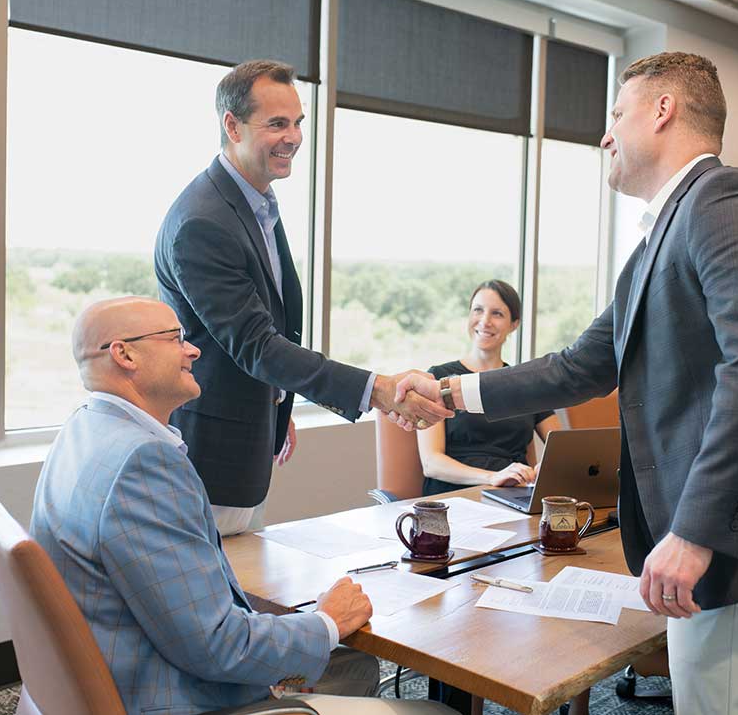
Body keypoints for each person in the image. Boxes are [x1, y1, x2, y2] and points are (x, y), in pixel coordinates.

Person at [398, 52, 738, 714]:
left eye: (617, 113)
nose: (606, 134)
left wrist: (697, 530)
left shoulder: (728, 201)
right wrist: (446, 392)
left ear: (663, 111)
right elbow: (578, 366)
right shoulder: (657, 243)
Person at [30, 297, 453, 715]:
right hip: (171, 694)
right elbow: (216, 646)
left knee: (355, 666)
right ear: (124, 354)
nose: (193, 349)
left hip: (124, 664)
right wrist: (326, 621)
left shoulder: (84, 430)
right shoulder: (142, 462)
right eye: (176, 338)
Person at [155, 60, 448, 536]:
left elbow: (266, 322)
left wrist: (276, 404)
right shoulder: (203, 222)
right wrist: (376, 390)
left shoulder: (255, 201)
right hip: (214, 456)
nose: (292, 137)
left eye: (297, 123)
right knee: (225, 600)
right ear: (232, 125)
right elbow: (256, 344)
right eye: (276, 124)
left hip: (251, 438)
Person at [418, 279, 560, 496]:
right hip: (454, 495)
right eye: (478, 310)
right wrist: (492, 477)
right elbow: (431, 463)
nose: (485, 321)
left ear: (514, 324)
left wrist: (547, 468)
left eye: (497, 314)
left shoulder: (526, 382)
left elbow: (563, 448)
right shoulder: (439, 378)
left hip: (514, 496)